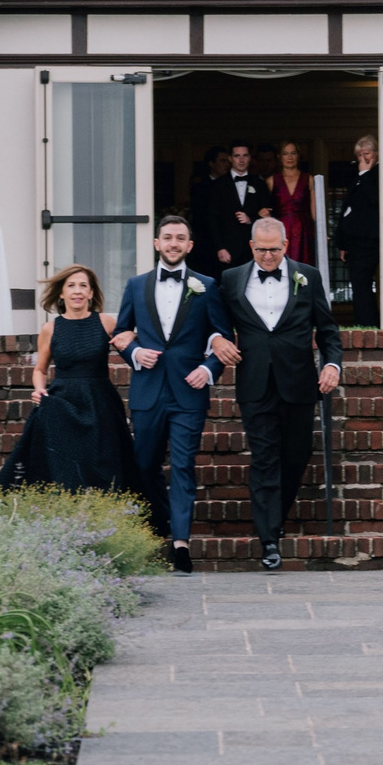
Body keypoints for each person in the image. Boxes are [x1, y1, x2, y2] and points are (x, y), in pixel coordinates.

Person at [206, 216, 342, 571]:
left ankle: (274, 519)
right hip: (255, 382)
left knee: (296, 455)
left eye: (275, 249)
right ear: (251, 246)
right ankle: (269, 539)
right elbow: (214, 320)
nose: (268, 256)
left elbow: (328, 331)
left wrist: (332, 365)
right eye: (262, 249)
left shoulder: (308, 276)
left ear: (286, 246)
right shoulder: (231, 278)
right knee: (265, 458)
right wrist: (216, 339)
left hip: (299, 381)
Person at [107, 214, 223, 574]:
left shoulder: (207, 286)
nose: (174, 243)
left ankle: (181, 544)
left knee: (184, 466)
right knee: (144, 465)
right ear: (157, 243)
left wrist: (207, 370)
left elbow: (221, 338)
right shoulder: (136, 285)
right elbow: (122, 333)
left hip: (188, 391)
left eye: (181, 238)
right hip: (148, 389)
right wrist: (134, 354)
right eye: (168, 237)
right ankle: (159, 527)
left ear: (190, 245)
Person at [0, 265, 137, 494]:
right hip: (63, 406)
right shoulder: (50, 329)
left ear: (91, 293)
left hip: (101, 404)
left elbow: (131, 349)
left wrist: (131, 333)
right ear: (61, 293)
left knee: (105, 467)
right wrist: (39, 390)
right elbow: (39, 369)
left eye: (83, 286)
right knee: (65, 470)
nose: (77, 291)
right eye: (71, 286)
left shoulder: (105, 322)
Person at [332, 134, 380, 328]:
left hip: (368, 239)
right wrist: (342, 242)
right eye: (359, 155)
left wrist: (366, 173)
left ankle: (368, 327)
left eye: (367, 153)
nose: (363, 158)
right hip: (354, 242)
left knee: (362, 284)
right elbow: (348, 209)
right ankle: (362, 324)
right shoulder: (360, 175)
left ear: (376, 153)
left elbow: (375, 200)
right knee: (358, 285)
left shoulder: (376, 174)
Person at [206, 142, 266, 271]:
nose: (241, 159)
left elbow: (268, 215)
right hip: (228, 249)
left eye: (245, 155)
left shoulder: (260, 184)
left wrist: (251, 220)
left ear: (250, 158)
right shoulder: (217, 185)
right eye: (237, 156)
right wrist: (220, 248)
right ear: (230, 158)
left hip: (254, 248)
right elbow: (212, 219)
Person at [265, 140, 317, 267]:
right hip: (282, 231)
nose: (290, 157)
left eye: (293, 153)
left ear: (299, 155)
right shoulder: (272, 181)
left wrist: (320, 232)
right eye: (285, 154)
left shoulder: (308, 179)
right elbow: (266, 209)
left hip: (304, 230)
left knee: (305, 267)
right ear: (279, 157)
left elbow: (314, 211)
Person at [186, 146, 232, 277]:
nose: (227, 164)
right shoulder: (200, 187)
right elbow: (200, 217)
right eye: (222, 161)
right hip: (206, 245)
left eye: (228, 161)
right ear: (212, 164)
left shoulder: (231, 185)